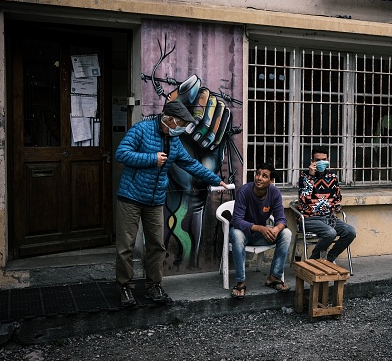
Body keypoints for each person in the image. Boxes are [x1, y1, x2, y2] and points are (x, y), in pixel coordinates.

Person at [115, 100, 228, 307]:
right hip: (130, 197)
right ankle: (125, 287)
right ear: (169, 119)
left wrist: (215, 179)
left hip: (155, 200)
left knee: (157, 245)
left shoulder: (174, 140)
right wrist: (151, 158)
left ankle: (153, 286)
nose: (183, 128)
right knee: (126, 246)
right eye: (181, 124)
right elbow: (121, 154)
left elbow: (190, 164)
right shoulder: (141, 130)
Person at [229, 162, 292, 299]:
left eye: (264, 176)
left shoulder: (274, 193)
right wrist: (260, 228)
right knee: (236, 234)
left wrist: (276, 229)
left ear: (271, 180)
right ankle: (240, 282)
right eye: (258, 174)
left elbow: (281, 219)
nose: (259, 178)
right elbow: (237, 220)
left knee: (286, 233)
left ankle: (274, 277)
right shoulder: (244, 191)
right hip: (243, 233)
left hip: (259, 235)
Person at [296, 146, 356, 263]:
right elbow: (303, 201)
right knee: (330, 233)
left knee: (350, 232)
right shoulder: (304, 177)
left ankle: (329, 258)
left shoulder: (332, 177)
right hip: (309, 219)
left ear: (327, 160)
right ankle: (315, 259)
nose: (320, 163)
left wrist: (337, 204)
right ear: (312, 162)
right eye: (317, 160)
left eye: (323, 160)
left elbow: (337, 198)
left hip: (329, 218)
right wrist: (311, 177)